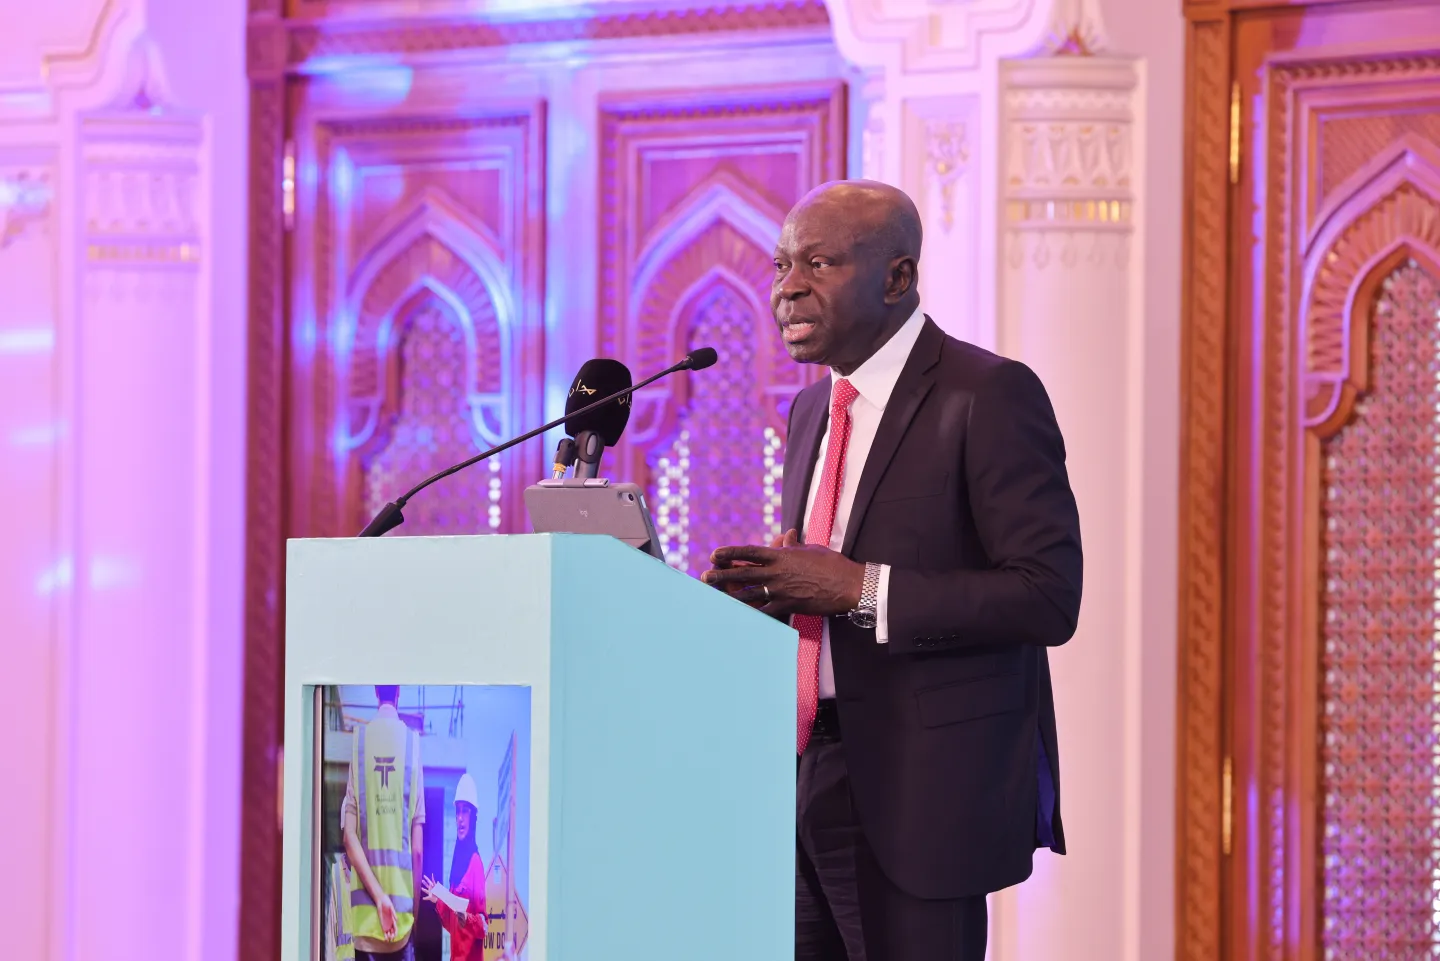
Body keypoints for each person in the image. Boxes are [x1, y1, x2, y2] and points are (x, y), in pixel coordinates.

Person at [702, 180, 1083, 961]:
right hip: (805, 772)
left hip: (922, 792)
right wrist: (770, 592)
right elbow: (822, 578)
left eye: (817, 262)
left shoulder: (989, 393)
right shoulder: (811, 411)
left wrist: (859, 587)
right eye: (779, 266)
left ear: (897, 278)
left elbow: (1047, 595)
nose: (787, 288)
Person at [342, 685, 426, 961]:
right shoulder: (413, 746)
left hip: (366, 927)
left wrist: (379, 899)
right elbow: (417, 851)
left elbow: (349, 838)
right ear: (398, 693)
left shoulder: (360, 743)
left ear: (376, 692)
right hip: (401, 924)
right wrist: (412, 915)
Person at [420, 773, 488, 961]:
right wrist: (439, 900)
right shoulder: (457, 866)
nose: (459, 818)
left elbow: (484, 926)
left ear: (473, 817)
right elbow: (452, 927)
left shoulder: (475, 864)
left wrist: (467, 918)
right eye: (458, 811)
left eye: (465, 811)